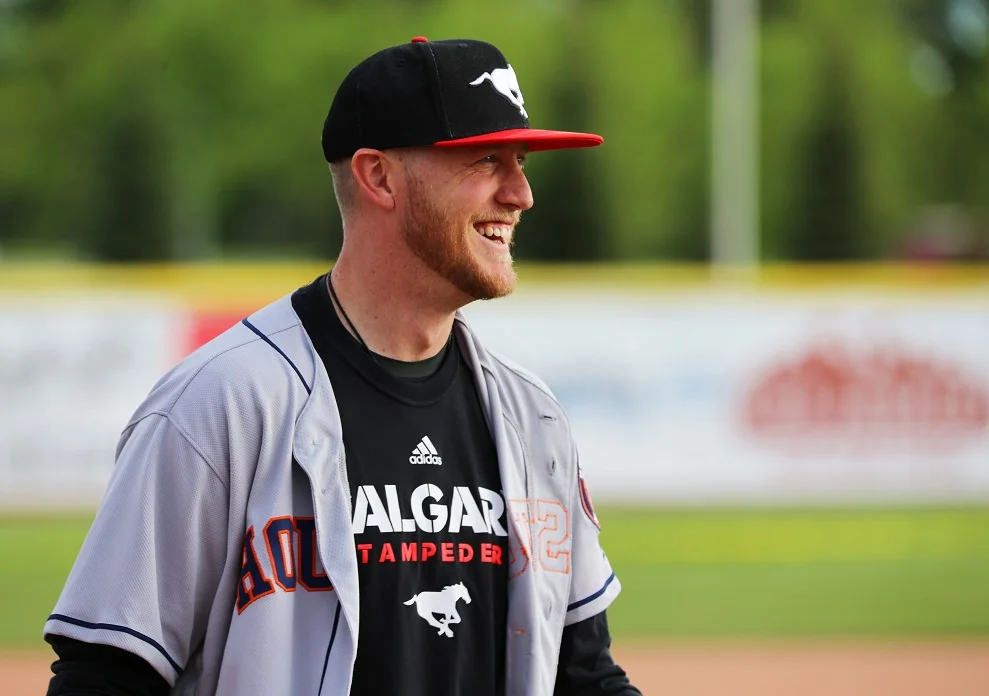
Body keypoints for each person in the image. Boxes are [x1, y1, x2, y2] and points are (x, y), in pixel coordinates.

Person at [44, 37, 641, 696]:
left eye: (520, 161)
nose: (521, 193)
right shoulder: (221, 404)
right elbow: (104, 677)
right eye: (485, 160)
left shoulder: (533, 419)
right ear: (378, 177)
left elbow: (583, 675)